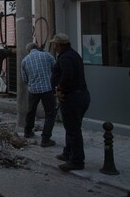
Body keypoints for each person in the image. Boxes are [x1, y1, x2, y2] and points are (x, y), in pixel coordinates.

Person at [50, 33, 91, 172]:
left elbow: (67, 75)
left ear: (59, 45)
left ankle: (77, 161)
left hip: (72, 97)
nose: (54, 47)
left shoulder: (66, 57)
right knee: (72, 127)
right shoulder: (73, 55)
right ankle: (68, 152)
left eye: (55, 44)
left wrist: (59, 87)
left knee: (73, 129)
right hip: (80, 96)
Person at [21, 42, 57, 147]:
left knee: (31, 111)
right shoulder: (47, 55)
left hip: (33, 90)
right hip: (47, 89)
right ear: (37, 47)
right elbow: (55, 69)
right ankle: (45, 138)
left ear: (28, 51)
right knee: (50, 113)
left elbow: (24, 79)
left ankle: (27, 132)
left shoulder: (25, 60)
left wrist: (32, 84)